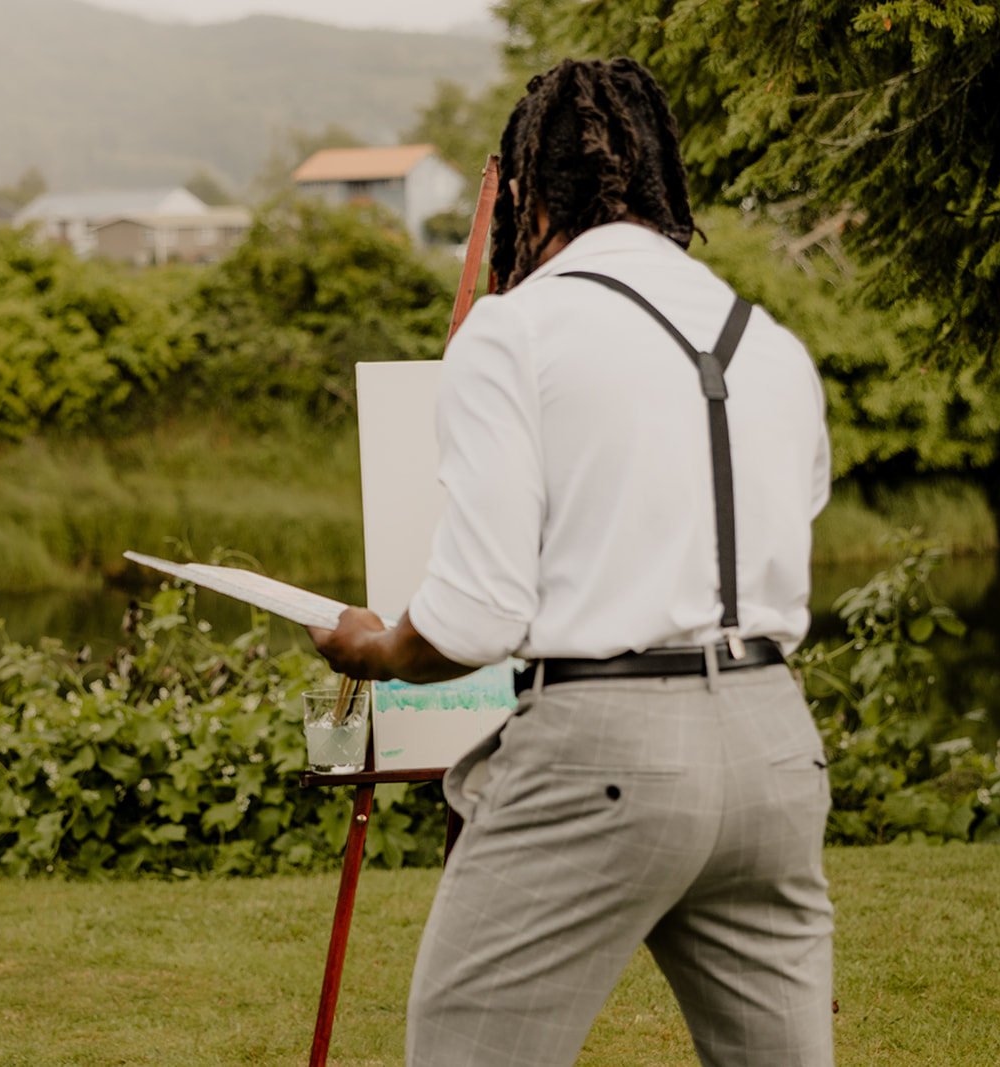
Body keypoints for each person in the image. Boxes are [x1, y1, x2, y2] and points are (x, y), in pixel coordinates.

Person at [309, 58, 834, 1066]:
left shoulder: (515, 330)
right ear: (657, 184)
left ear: (522, 191)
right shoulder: (768, 341)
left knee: (464, 1049)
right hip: (775, 746)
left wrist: (371, 646)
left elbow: (473, 618)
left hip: (608, 750)